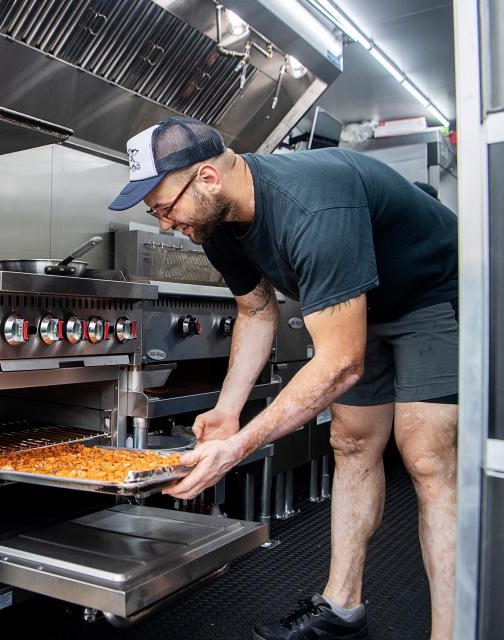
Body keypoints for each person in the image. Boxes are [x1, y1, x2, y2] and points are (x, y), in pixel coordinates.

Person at [108, 117, 457, 640]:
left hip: (430, 292)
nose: (163, 224)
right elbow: (255, 310)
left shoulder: (312, 205)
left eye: (162, 207)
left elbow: (342, 363)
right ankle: (342, 606)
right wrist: (228, 412)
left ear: (206, 178)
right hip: (359, 304)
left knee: (425, 454)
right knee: (352, 441)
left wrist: (239, 446)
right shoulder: (215, 223)